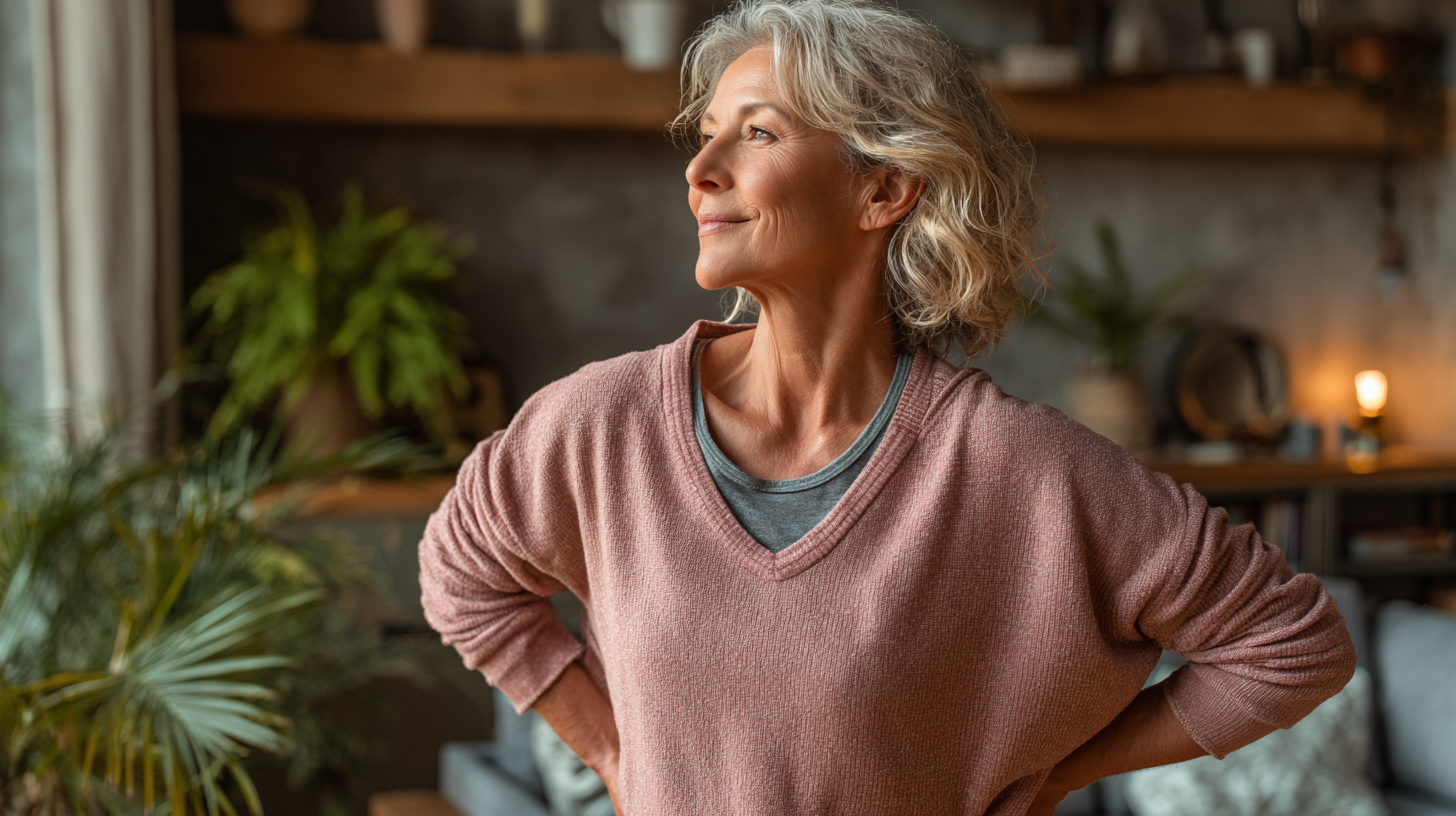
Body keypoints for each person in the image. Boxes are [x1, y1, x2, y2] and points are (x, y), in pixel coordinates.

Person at [418, 0, 1356, 813]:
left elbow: (1292, 646)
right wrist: (614, 752)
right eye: (706, 131)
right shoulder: (599, 426)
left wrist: (1060, 776)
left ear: (883, 189)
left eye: (759, 132)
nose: (701, 167)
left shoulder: (1016, 466)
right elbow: (462, 572)